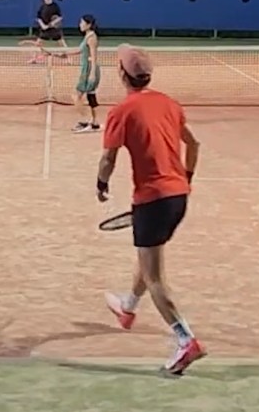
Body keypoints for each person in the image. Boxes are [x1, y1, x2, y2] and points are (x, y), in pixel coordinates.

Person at [97, 44, 206, 376]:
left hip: (151, 200)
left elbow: (108, 158)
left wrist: (101, 184)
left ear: (121, 74)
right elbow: (194, 144)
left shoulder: (121, 111)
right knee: (149, 258)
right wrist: (185, 178)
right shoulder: (169, 103)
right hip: (178, 197)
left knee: (154, 276)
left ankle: (186, 340)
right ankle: (127, 307)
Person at [51, 15, 101, 133]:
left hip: (88, 70)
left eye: (82, 23)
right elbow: (79, 50)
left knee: (76, 96)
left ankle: (86, 120)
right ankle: (94, 123)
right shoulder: (88, 36)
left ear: (89, 25)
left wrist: (92, 73)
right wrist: (61, 54)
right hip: (87, 69)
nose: (80, 25)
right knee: (91, 96)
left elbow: (94, 57)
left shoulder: (92, 38)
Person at [29, 0, 67, 64]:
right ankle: (34, 59)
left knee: (62, 44)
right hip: (44, 30)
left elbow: (60, 17)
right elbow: (38, 18)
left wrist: (53, 23)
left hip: (54, 29)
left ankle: (67, 59)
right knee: (38, 44)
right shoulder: (42, 7)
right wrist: (43, 25)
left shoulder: (55, 6)